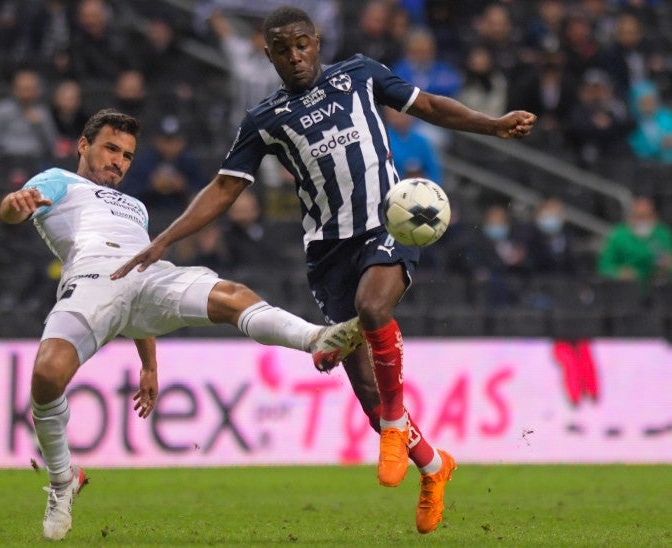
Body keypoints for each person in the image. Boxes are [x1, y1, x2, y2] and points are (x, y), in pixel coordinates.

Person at [112, 6, 537, 535]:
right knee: (362, 385)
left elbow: (426, 105)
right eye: (283, 49)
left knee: (373, 307)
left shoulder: (359, 73)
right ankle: (432, 465)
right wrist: (165, 240)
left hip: (389, 220)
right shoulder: (264, 119)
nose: (295, 56)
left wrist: (491, 124)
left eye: (303, 45)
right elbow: (224, 189)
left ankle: (392, 426)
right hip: (328, 251)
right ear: (268, 54)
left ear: (317, 42)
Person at [0, 109, 363, 541]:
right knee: (45, 376)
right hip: (90, 282)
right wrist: (15, 205)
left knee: (231, 295)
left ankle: (317, 338)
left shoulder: (135, 206)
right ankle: (63, 481)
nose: (118, 161)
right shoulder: (59, 180)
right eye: (110, 149)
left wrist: (149, 363)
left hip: (148, 275)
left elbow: (135, 302)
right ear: (84, 145)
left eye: (127, 156)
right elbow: (14, 209)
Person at [598, 196, 671, 289]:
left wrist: (668, 265)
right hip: (627, 291)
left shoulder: (664, 235)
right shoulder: (618, 236)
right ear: (630, 217)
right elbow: (604, 267)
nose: (642, 221)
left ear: (655, 217)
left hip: (659, 290)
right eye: (638, 217)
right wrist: (619, 273)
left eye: (646, 216)